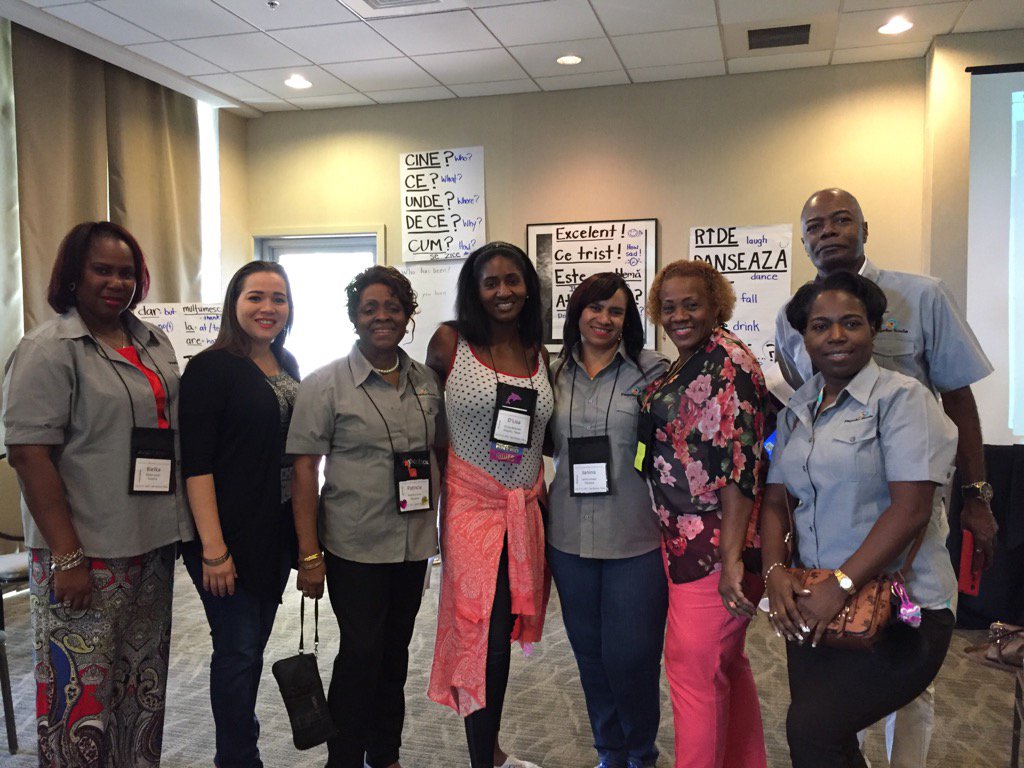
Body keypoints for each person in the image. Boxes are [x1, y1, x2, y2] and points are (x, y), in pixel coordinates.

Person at [773, 188, 996, 767]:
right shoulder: (796, 384)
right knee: (823, 724)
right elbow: (784, 480)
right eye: (815, 225)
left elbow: (959, 402)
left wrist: (977, 493)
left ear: (864, 227)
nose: (835, 336)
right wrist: (779, 571)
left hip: (902, 550)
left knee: (882, 706)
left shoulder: (919, 303)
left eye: (840, 220)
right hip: (823, 564)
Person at [2, 221, 194, 767]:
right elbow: (29, 455)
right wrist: (67, 556)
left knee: (140, 689)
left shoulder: (152, 341)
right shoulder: (48, 349)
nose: (117, 282)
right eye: (102, 270)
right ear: (73, 275)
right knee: (79, 698)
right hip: (85, 554)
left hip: (151, 544)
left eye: (127, 272)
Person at [761, 271, 958, 768]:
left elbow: (910, 509)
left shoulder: (904, 400)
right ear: (803, 337)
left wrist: (843, 584)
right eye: (820, 326)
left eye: (851, 323)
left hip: (903, 609)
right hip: (814, 599)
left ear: (874, 328)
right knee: (820, 740)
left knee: (813, 729)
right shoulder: (796, 410)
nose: (835, 336)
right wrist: (774, 571)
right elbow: (776, 501)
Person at [287, 265, 443, 768]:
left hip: (413, 543)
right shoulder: (326, 384)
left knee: (394, 655)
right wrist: (309, 554)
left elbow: (437, 452)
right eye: (370, 308)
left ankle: (387, 754)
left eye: (393, 307)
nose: (382, 316)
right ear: (354, 317)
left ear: (407, 315)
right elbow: (305, 471)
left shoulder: (425, 381)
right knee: (360, 655)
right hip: (354, 545)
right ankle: (345, 759)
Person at [637, 259, 769, 768]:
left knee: (693, 676)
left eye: (691, 304)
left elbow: (739, 468)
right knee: (725, 667)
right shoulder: (693, 359)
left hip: (715, 550)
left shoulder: (726, 363)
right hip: (687, 543)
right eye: (668, 307)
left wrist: (731, 559)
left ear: (716, 304)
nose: (679, 316)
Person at [426, 241, 553, 768]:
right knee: (484, 634)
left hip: (525, 509)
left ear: (528, 286)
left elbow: (540, 436)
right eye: (491, 282)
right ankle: (484, 760)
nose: (504, 291)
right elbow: (429, 431)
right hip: (471, 509)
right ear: (474, 290)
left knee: (498, 633)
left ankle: (491, 750)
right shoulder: (449, 343)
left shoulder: (536, 351)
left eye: (513, 280)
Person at [178, 261, 299, 768]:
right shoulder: (210, 368)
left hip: (271, 530)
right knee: (237, 650)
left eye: (278, 298)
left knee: (250, 647)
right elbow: (197, 465)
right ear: (234, 303)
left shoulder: (286, 361)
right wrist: (214, 549)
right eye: (255, 297)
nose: (268, 308)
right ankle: (236, 758)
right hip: (224, 537)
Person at [547, 273, 668, 768]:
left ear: (628, 318)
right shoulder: (551, 373)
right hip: (569, 536)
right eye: (594, 308)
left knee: (633, 657)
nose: (603, 319)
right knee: (590, 655)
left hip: (634, 535)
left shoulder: (653, 369)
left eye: (615, 311)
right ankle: (609, 751)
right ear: (577, 313)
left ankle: (641, 750)